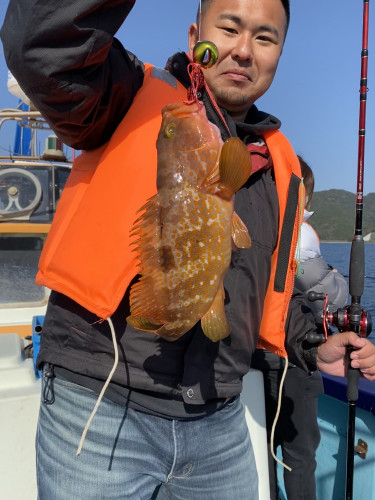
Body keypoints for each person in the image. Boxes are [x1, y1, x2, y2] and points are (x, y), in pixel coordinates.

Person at [2, 1, 375, 499]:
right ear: (196, 33)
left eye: (265, 38)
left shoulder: (280, 166)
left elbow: (263, 289)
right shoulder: (125, 94)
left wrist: (312, 344)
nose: (243, 50)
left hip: (218, 426)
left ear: (280, 53)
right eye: (229, 27)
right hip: (98, 404)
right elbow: (41, 44)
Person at [251, 156, 349, 500]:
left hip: (255, 358)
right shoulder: (301, 234)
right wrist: (338, 281)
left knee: (261, 448)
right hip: (295, 359)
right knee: (300, 455)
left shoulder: (257, 227)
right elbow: (330, 297)